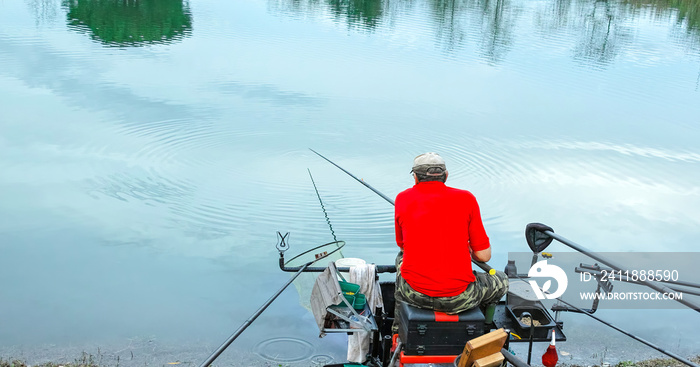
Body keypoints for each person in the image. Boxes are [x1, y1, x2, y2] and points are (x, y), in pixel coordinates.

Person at [392, 152, 508, 334]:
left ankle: (397, 332)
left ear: (415, 178)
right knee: (501, 280)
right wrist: (467, 246)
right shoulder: (467, 199)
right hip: (459, 298)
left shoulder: (402, 198)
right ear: (446, 176)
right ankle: (483, 330)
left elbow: (402, 246)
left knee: (401, 260)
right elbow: (483, 256)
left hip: (414, 294)